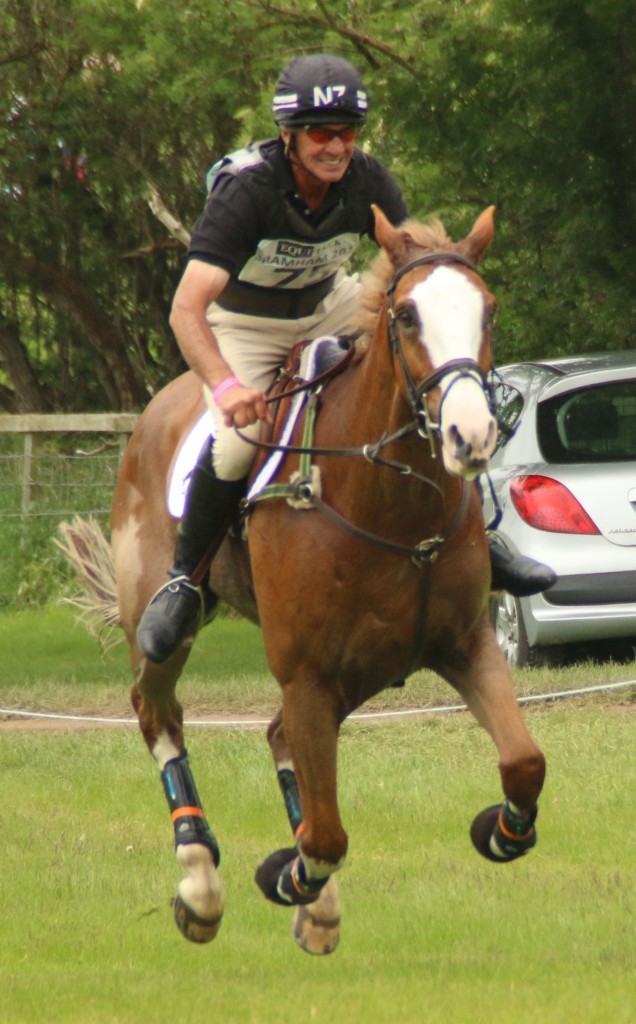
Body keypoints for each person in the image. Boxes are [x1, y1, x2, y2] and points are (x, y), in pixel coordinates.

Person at [137, 53, 555, 664]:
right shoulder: (247, 191)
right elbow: (185, 309)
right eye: (320, 133)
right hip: (247, 322)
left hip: (328, 303)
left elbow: (415, 266)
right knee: (237, 440)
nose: (336, 146)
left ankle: (482, 533)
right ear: (289, 135)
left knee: (425, 377)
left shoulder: (367, 180)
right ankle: (184, 579)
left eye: (347, 133)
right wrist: (225, 388)